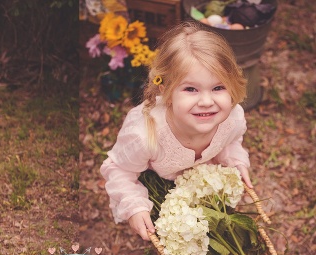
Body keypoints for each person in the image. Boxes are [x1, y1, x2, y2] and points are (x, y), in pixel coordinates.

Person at [100, 21, 254, 241]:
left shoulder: (233, 118)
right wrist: (133, 206)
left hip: (197, 185)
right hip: (159, 184)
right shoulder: (146, 135)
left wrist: (235, 160)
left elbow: (231, 141)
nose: (207, 101)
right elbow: (119, 169)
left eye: (218, 87)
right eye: (191, 89)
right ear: (167, 91)